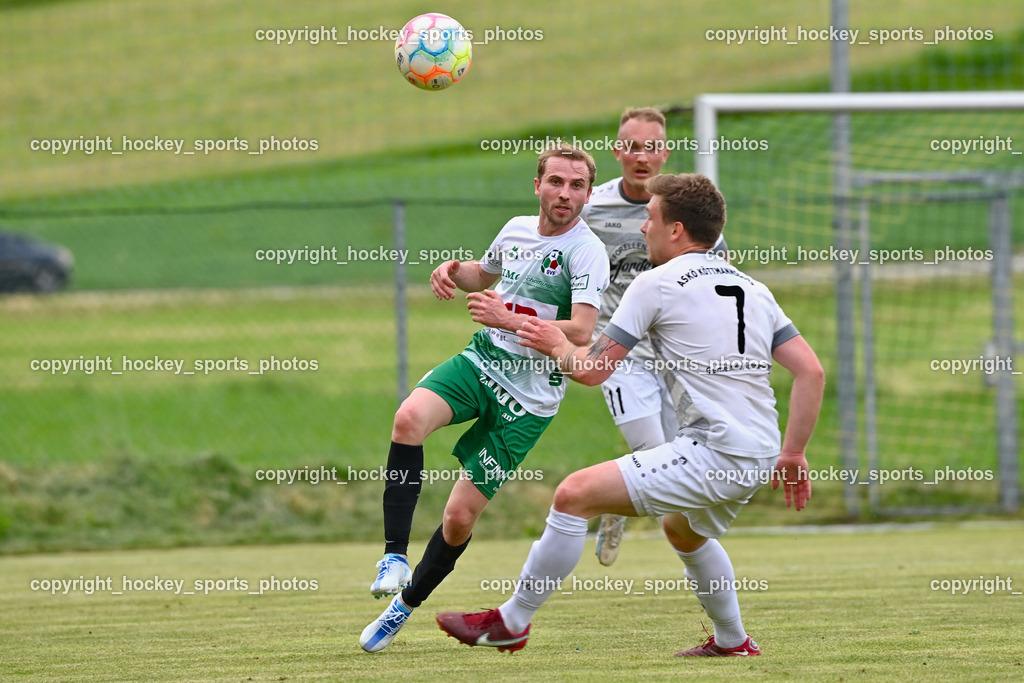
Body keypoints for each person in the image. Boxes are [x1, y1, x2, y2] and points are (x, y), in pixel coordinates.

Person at [436, 173, 824, 656]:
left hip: (716, 451)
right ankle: (732, 641)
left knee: (573, 494)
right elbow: (811, 371)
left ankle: (512, 621)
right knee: (683, 529)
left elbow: (594, 371)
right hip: (759, 449)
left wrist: (557, 342)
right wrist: (793, 452)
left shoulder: (655, 284)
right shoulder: (752, 287)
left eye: (651, 218)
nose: (643, 228)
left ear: (676, 229)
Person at [359, 143, 611, 652]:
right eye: (557, 182)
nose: (565, 194)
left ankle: (402, 608)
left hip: (529, 402)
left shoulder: (587, 252)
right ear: (537, 185)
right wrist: (453, 269)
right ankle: (392, 556)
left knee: (458, 518)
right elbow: (485, 273)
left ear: (586, 193)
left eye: (577, 185)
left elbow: (582, 331)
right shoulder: (516, 229)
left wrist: (511, 320)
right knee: (408, 419)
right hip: (481, 363)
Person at [581, 108, 727, 566]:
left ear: (664, 152)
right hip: (618, 353)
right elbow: (553, 254)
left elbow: (718, 275)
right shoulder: (592, 209)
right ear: (617, 151)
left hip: (676, 356)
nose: (640, 156)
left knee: (681, 462)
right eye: (631, 146)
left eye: (650, 146)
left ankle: (611, 499)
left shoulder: (685, 209)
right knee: (655, 456)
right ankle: (608, 497)